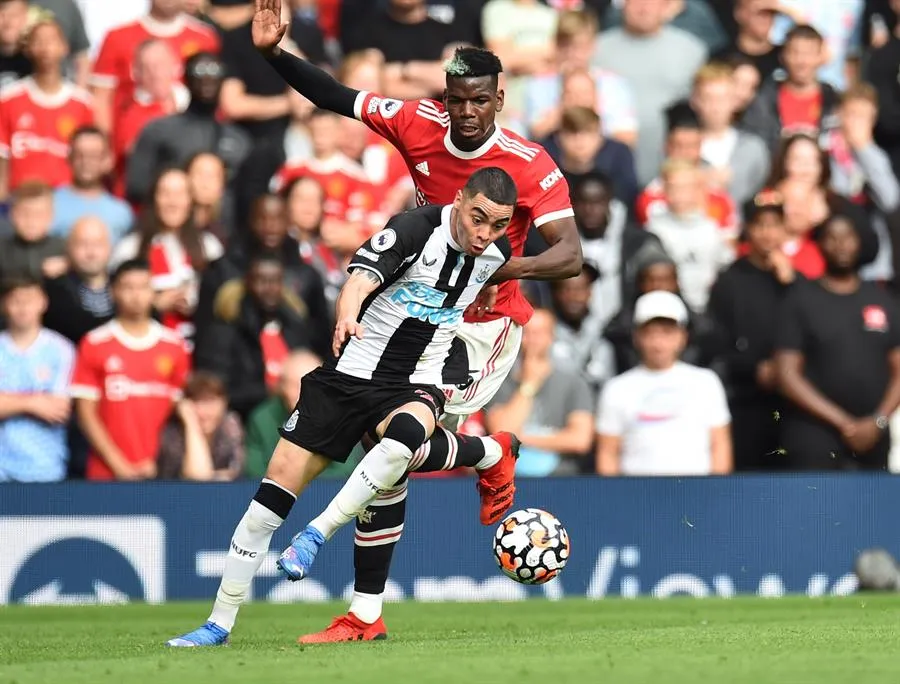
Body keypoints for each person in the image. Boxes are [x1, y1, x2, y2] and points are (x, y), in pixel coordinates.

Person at [251, 0, 581, 642]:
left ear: (499, 99)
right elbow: (336, 95)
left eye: (478, 100)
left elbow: (569, 255)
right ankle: (371, 608)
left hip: (484, 329)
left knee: (391, 447)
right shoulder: (415, 121)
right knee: (387, 448)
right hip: (421, 316)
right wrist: (274, 54)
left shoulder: (529, 162)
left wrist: (495, 272)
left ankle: (485, 458)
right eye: (457, 98)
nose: (465, 111)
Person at [167, 167, 522, 647]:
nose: (484, 234)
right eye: (478, 218)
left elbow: (495, 284)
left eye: (497, 225)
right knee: (265, 507)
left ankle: (315, 536)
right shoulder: (414, 229)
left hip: (416, 381)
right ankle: (218, 623)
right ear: (459, 199)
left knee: (402, 441)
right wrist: (347, 313)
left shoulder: (493, 256)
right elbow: (359, 277)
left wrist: (490, 295)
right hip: (348, 376)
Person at [774, 215, 900, 470]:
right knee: (817, 509)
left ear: (859, 243)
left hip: (873, 435)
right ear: (819, 244)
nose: (840, 245)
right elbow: (787, 374)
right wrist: (845, 423)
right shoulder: (800, 299)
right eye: (832, 238)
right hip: (813, 433)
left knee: (871, 509)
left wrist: (877, 422)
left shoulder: (884, 299)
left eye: (847, 237)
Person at [71, 259, 191, 481]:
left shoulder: (174, 345)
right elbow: (86, 413)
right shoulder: (95, 343)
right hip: (105, 473)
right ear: (113, 291)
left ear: (153, 292)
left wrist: (159, 460)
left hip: (160, 472)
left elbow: (178, 412)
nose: (136, 296)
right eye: (128, 287)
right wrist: (119, 465)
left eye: (143, 287)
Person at [596, 290, 733, 476]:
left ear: (682, 336)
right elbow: (608, 452)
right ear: (637, 337)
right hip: (636, 496)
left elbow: (720, 445)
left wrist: (716, 492)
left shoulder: (706, 382)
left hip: (697, 493)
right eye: (650, 333)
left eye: (667, 332)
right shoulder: (617, 388)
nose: (658, 342)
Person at [707, 191, 797, 471]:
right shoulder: (729, 281)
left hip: (794, 403)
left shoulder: (798, 282)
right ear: (748, 229)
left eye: (774, 225)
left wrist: (791, 285)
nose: (767, 233)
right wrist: (755, 368)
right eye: (760, 225)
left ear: (784, 229)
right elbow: (716, 343)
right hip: (746, 398)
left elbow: (812, 334)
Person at [592, 0, 708, 185]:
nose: (644, 8)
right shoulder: (596, 49)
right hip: (607, 167)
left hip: (672, 173)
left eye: (651, 2)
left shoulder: (691, 50)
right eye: (635, 2)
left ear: (666, 7)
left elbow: (702, 113)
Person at [193, 251, 317, 419]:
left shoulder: (295, 326)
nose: (269, 289)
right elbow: (216, 391)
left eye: (275, 281)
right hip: (244, 420)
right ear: (248, 283)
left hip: (296, 420)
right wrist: (269, 391)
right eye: (262, 281)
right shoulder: (224, 332)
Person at [126, 52, 251, 205]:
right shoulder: (159, 130)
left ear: (223, 81)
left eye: (214, 71)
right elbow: (137, 186)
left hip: (223, 226)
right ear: (186, 80)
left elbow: (246, 197)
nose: (207, 79)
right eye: (199, 71)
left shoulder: (240, 139)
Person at [485, 308, 594, 476]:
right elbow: (501, 433)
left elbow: (580, 440)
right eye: (527, 332)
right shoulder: (498, 381)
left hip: (562, 479)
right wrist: (528, 385)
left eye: (539, 332)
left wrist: (521, 438)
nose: (533, 339)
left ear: (552, 337)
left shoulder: (574, 383)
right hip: (508, 479)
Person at [89, 0, 219, 133]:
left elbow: (215, 96)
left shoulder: (205, 38)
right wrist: (105, 144)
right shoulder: (117, 37)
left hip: (191, 136)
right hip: (131, 139)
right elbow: (101, 99)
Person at [0, 15, 94, 200]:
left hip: (67, 203)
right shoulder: (8, 98)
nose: (45, 48)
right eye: (38, 41)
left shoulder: (83, 104)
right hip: (20, 202)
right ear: (27, 49)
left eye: (52, 40)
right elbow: (2, 155)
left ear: (64, 47)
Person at [0, 275, 75, 482]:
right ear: (5, 304)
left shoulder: (61, 349)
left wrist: (8, 401)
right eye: (16, 301)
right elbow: (44, 405)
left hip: (45, 466)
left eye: (30, 300)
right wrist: (33, 402)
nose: (23, 308)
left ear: (43, 302)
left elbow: (58, 409)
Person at [243, 349, 362, 479]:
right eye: (295, 385)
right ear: (282, 386)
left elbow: (344, 470)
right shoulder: (262, 418)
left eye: (311, 385)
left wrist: (293, 480)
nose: (302, 393)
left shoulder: (337, 417)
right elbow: (254, 470)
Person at [741, 24, 838, 153]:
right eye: (795, 53)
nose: (801, 61)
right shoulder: (763, 101)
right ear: (783, 56)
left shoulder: (834, 103)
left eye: (808, 53)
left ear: (821, 57)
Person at [692, 62, 770, 205]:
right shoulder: (681, 147)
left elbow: (758, 194)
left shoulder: (753, 148)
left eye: (722, 99)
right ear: (695, 101)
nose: (715, 107)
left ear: (734, 101)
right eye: (708, 98)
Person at [156, 371, 245, 481]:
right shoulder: (173, 432)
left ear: (224, 403)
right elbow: (197, 476)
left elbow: (234, 470)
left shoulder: (230, 424)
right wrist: (191, 425)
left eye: (211, 401)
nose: (205, 412)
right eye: (198, 402)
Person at [51, 126, 133, 241]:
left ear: (107, 160)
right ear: (69, 158)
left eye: (93, 156)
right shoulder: (49, 205)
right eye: (80, 155)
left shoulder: (122, 213)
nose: (86, 162)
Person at [43, 215, 114, 344]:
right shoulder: (54, 292)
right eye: (83, 244)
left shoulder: (125, 285)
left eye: (98, 244)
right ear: (69, 248)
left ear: (110, 247)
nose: (91, 253)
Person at [0, 181, 67, 281]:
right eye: (24, 214)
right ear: (12, 214)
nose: (31, 222)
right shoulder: (3, 249)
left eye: (39, 215)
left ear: (51, 216)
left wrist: (69, 265)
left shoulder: (64, 249)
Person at [712, 0, 782, 83]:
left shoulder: (784, 58)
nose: (767, 19)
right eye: (761, 14)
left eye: (772, 14)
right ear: (739, 14)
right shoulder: (721, 58)